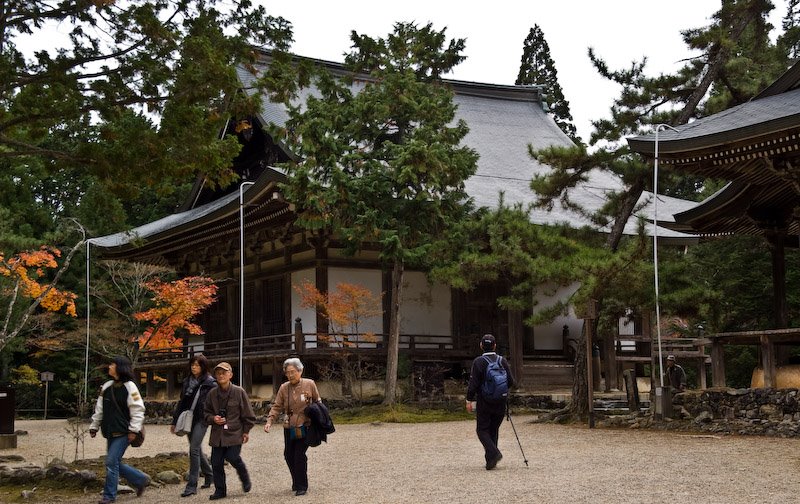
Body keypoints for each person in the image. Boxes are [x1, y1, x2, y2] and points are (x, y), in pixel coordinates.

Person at [89, 356, 151, 504]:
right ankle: (140, 479)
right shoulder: (106, 386)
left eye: (112, 364)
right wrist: (94, 425)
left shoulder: (130, 387)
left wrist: (134, 430)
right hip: (110, 430)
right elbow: (100, 408)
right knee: (113, 461)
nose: (109, 366)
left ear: (120, 367)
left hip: (124, 431)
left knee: (111, 461)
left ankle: (109, 496)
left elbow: (137, 409)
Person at [264, 357, 321, 496]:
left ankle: (302, 485)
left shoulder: (310, 384)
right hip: (289, 425)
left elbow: (318, 402)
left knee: (299, 454)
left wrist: (320, 419)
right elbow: (277, 406)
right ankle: (296, 480)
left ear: (300, 370)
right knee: (288, 454)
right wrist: (269, 421)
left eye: (293, 372)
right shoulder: (284, 387)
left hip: (306, 425)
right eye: (287, 372)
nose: (290, 375)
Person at [203, 362, 255, 500]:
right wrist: (213, 418)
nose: (221, 375)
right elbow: (205, 413)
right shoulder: (212, 394)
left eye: (224, 372)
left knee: (233, 457)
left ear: (230, 375)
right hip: (217, 435)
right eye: (218, 373)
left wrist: (246, 431)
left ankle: (244, 477)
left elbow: (248, 415)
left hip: (234, 433)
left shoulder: (239, 392)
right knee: (216, 462)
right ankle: (220, 490)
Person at [466, 334, 515, 470]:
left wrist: (469, 399)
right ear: (494, 345)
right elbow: (511, 381)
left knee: (482, 430)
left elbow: (473, 384)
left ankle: (494, 453)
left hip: (485, 401)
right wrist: (499, 391)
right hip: (501, 401)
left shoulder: (479, 362)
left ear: (481, 345)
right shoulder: (502, 360)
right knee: (493, 429)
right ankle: (490, 461)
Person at [171, 354, 217, 497]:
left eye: (197, 365)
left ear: (203, 366)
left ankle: (192, 485)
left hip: (202, 419)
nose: (194, 367)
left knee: (193, 449)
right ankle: (210, 474)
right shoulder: (186, 382)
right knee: (196, 448)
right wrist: (174, 421)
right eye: (192, 365)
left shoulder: (210, 383)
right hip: (189, 418)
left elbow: (215, 403)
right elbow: (182, 402)